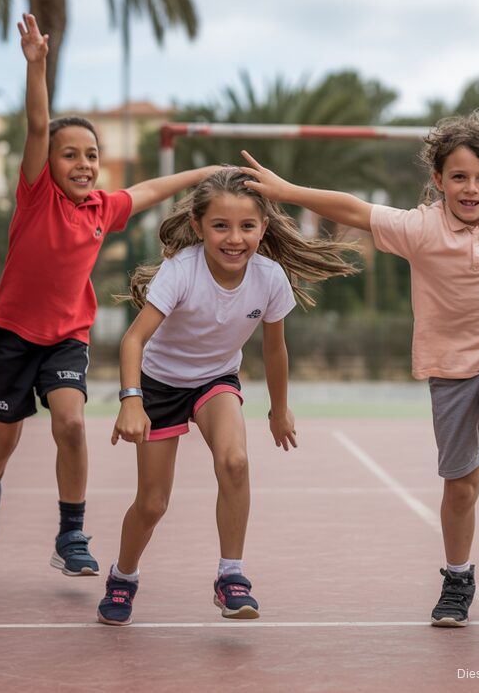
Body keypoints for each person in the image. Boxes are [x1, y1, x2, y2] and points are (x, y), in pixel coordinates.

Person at [241, 66, 479, 627]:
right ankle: (457, 579)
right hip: (448, 365)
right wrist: (285, 192)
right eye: (459, 177)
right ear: (438, 178)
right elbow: (352, 209)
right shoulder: (419, 229)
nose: (471, 189)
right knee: (457, 485)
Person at [0, 14, 223, 578]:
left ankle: (71, 532)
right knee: (1, 442)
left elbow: (151, 189)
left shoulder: (102, 209)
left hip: (66, 336)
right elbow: (37, 127)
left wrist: (205, 171)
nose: (83, 163)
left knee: (73, 425)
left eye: (91, 154)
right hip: (10, 334)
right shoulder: (36, 198)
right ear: (48, 164)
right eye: (70, 154)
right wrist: (36, 65)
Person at [96, 168, 358, 626]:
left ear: (263, 228)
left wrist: (279, 408)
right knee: (153, 503)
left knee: (235, 462)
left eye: (247, 226)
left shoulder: (270, 278)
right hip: (159, 384)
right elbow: (133, 341)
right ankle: (124, 576)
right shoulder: (180, 272)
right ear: (198, 227)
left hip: (216, 380)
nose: (234, 238)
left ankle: (230, 575)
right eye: (221, 226)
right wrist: (131, 400)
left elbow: (274, 348)